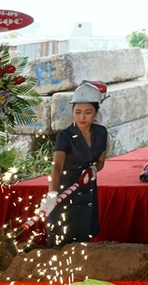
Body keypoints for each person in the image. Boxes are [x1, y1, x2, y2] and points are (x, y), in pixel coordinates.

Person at [38, 83, 108, 247]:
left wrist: (93, 169)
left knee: (82, 237)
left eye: (88, 112)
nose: (82, 117)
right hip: (65, 187)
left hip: (87, 188)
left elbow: (100, 161)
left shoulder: (101, 133)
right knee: (60, 236)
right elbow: (57, 166)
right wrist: (52, 194)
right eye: (77, 112)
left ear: (96, 113)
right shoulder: (65, 136)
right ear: (72, 111)